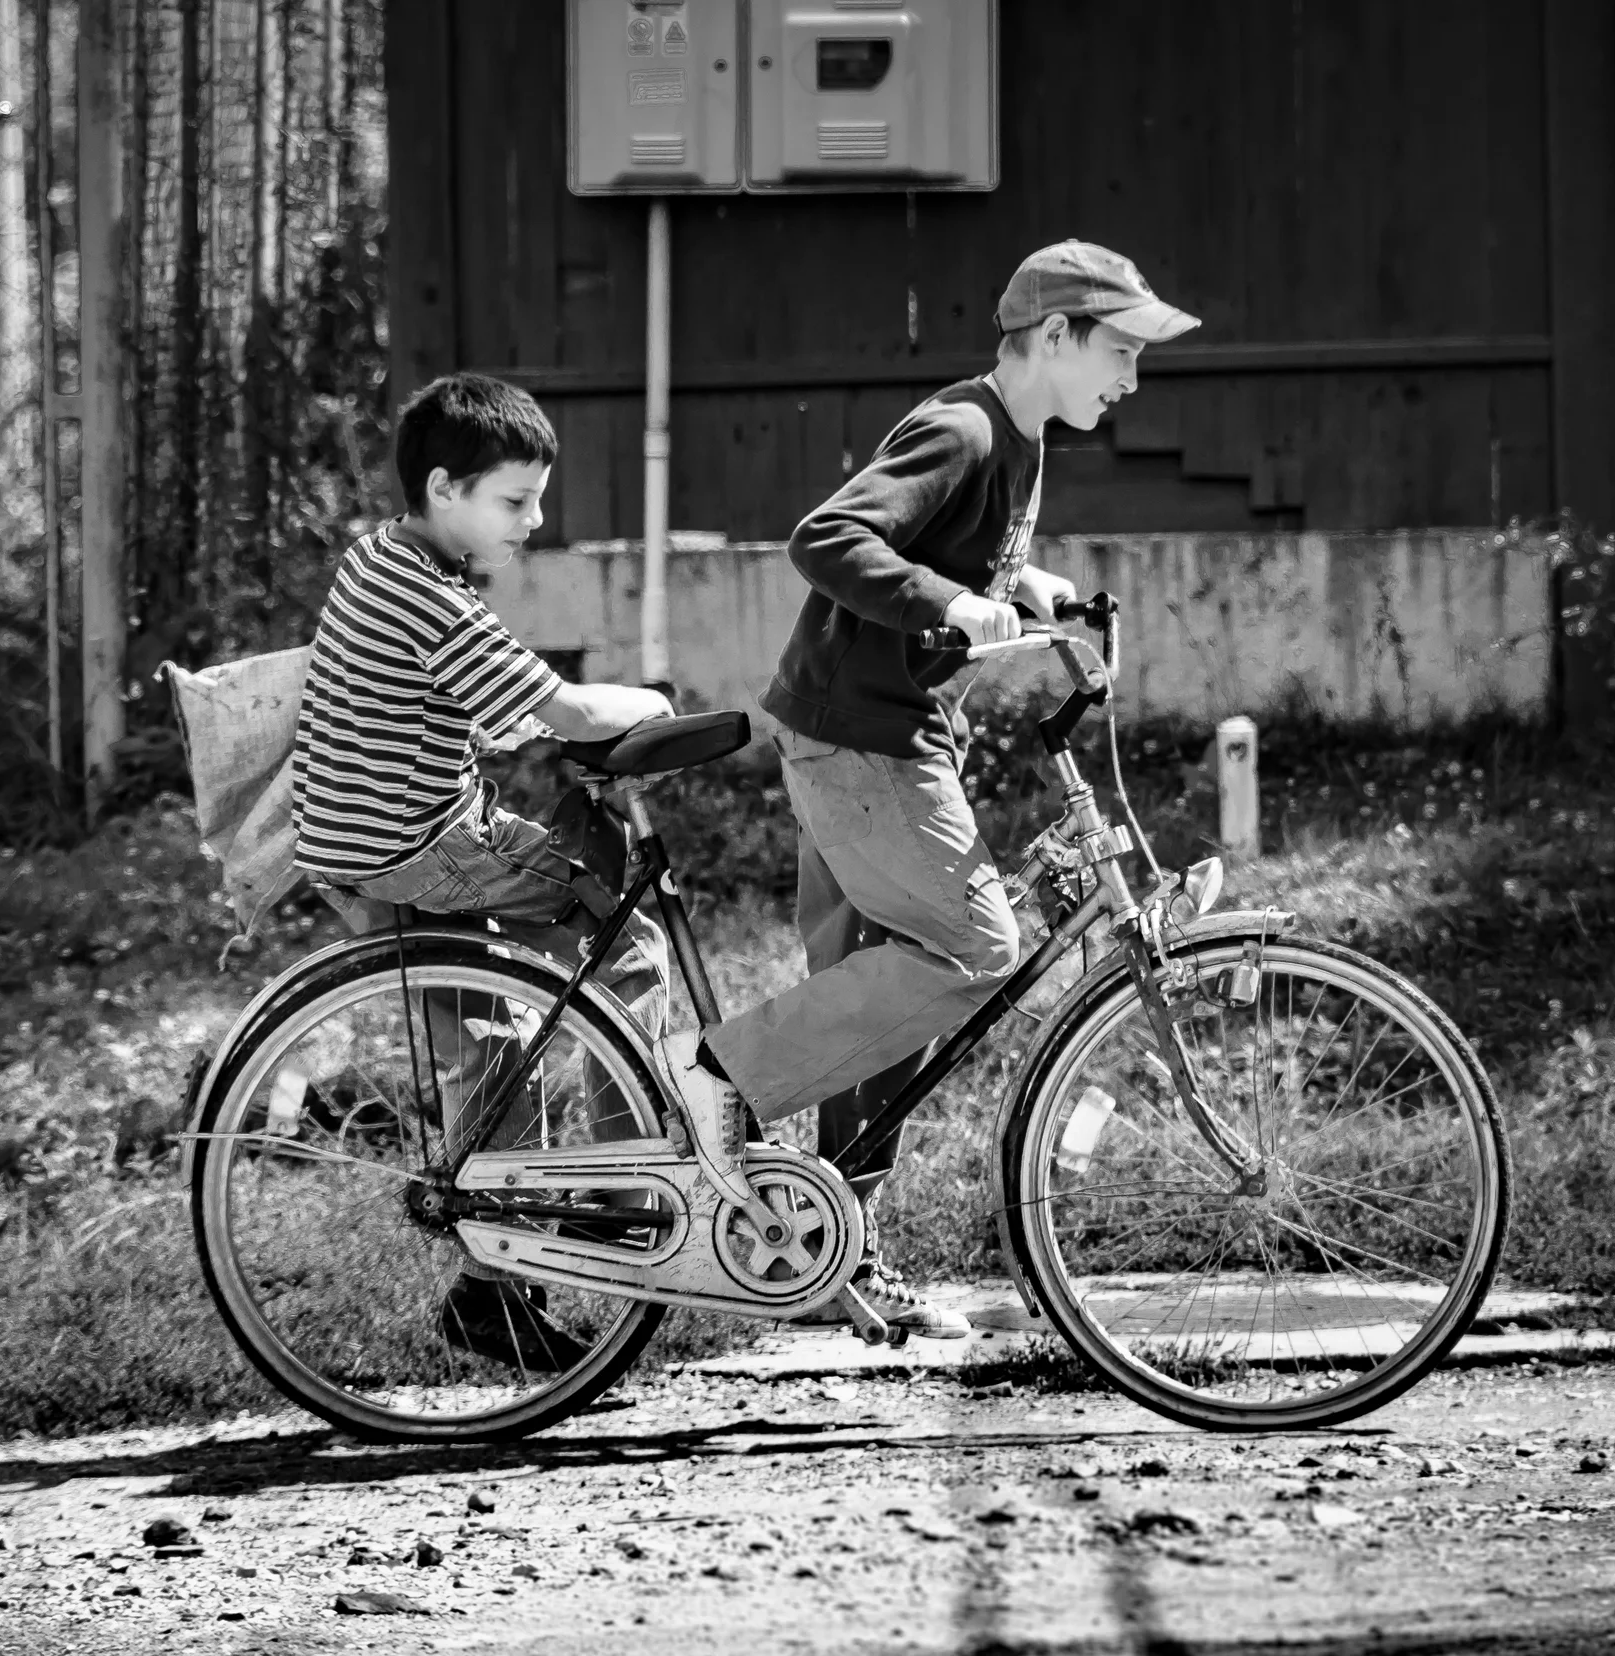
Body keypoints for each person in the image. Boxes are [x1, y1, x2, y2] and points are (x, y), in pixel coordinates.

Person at [665, 241, 1203, 1338]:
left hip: (875, 732)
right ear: (1053, 337)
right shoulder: (963, 429)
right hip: (864, 741)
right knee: (973, 950)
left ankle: (827, 1251)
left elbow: (960, 558)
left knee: (884, 1002)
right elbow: (828, 540)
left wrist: (1019, 588)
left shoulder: (1024, 439)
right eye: (1121, 350)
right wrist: (949, 609)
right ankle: (718, 1078)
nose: (1132, 379)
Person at [291, 371, 675, 1370]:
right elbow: (570, 713)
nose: (534, 521)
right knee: (624, 940)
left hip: (361, 849)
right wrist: (651, 705)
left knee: (494, 1038)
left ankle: (490, 1291)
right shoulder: (427, 594)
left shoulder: (377, 558)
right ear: (443, 488)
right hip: (422, 846)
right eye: (515, 500)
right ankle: (618, 1198)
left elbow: (468, 706)